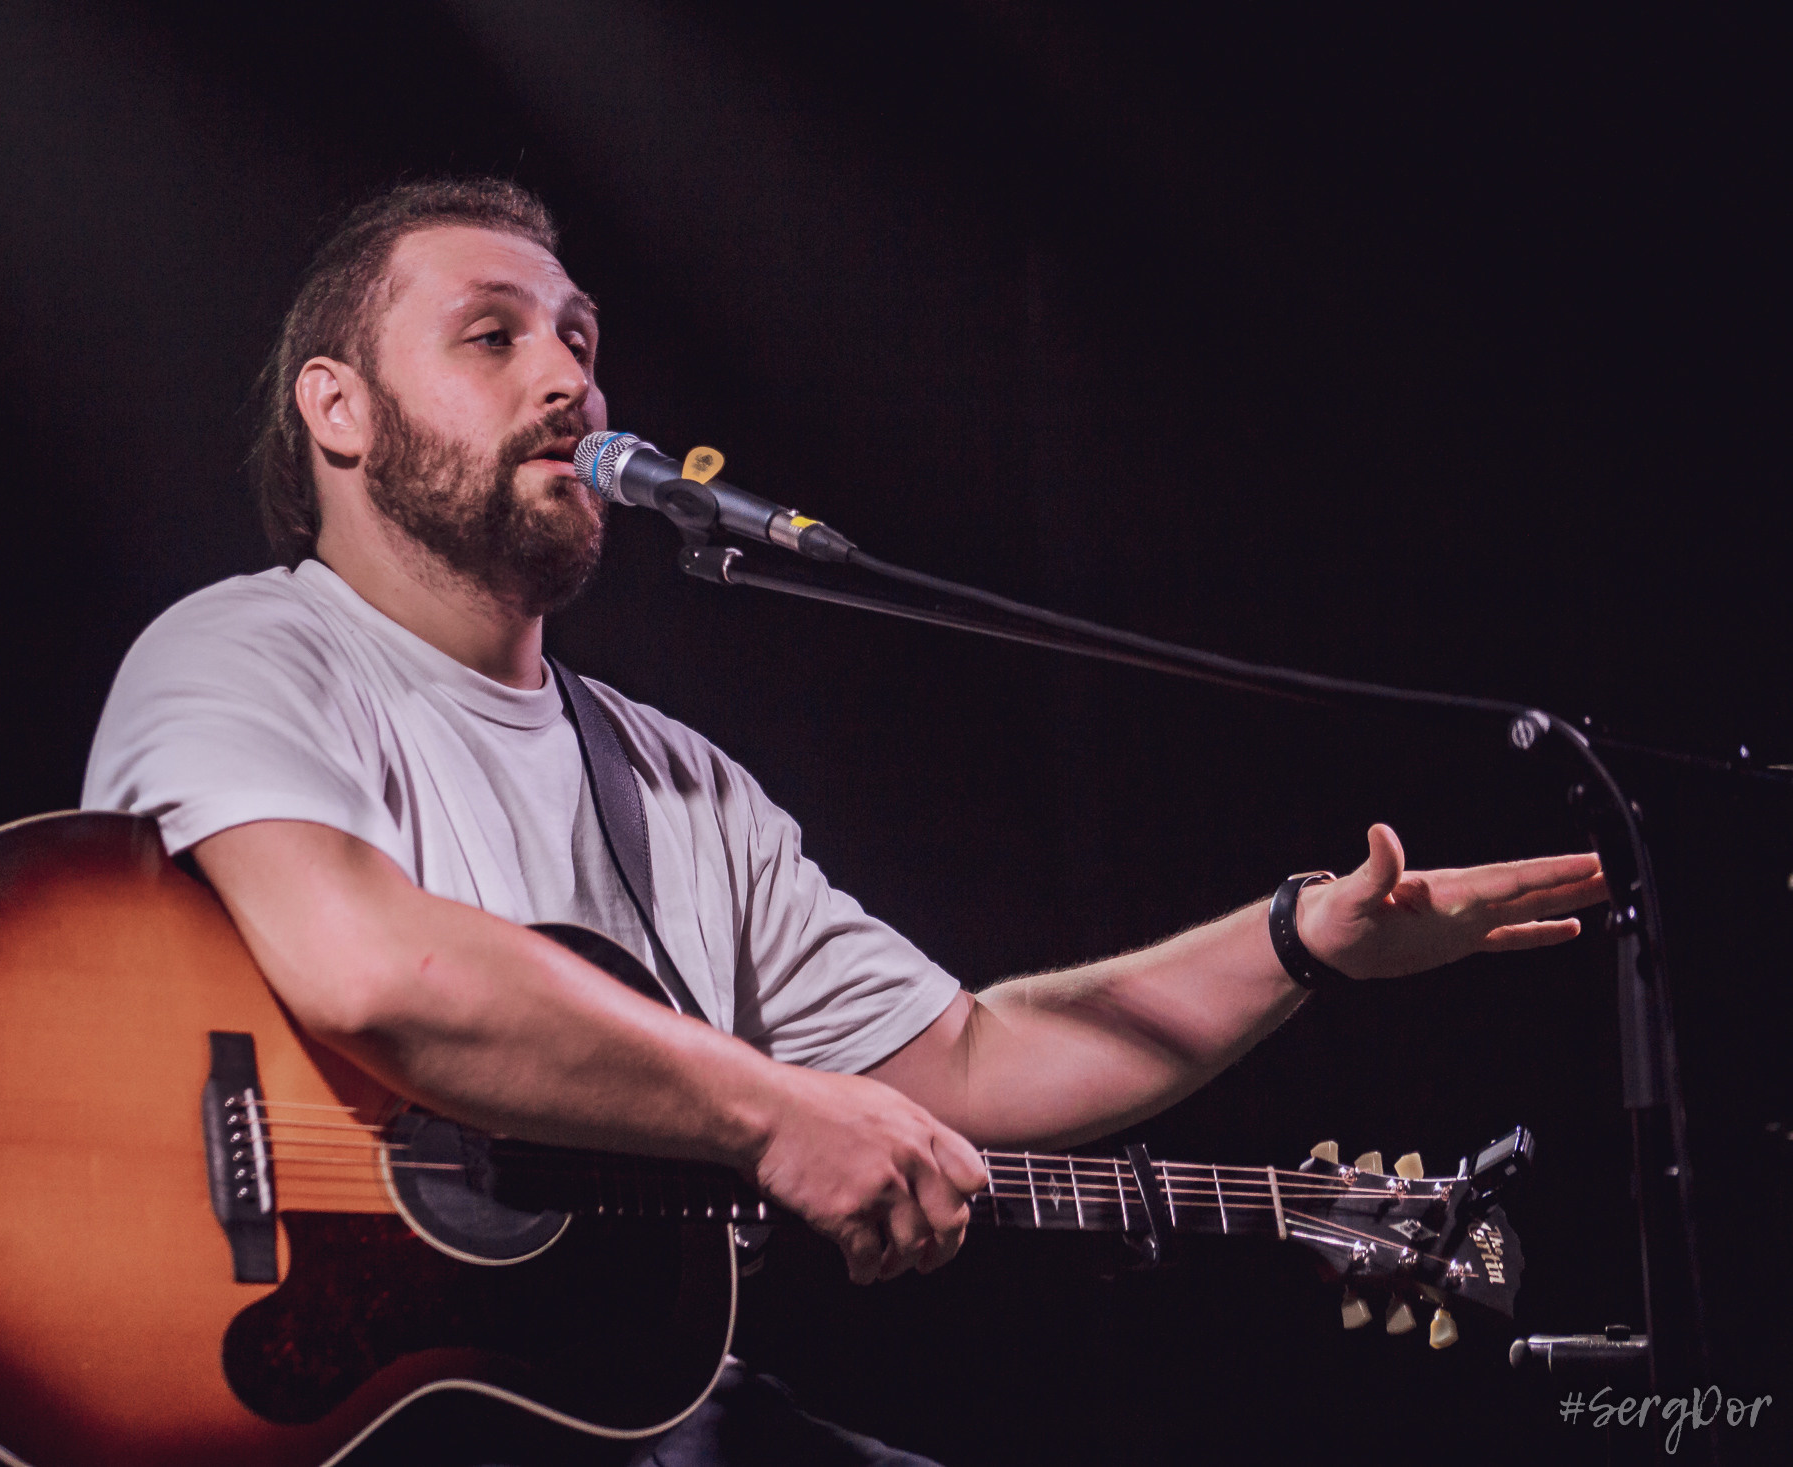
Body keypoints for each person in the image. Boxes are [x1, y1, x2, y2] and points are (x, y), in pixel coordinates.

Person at [82, 178, 1606, 1465]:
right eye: (493, 337)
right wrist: (769, 1110)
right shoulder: (248, 654)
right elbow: (374, 972)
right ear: (335, 409)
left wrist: (1298, 942)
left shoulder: (678, 782)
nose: (568, 382)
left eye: (580, 342)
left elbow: (968, 1063)